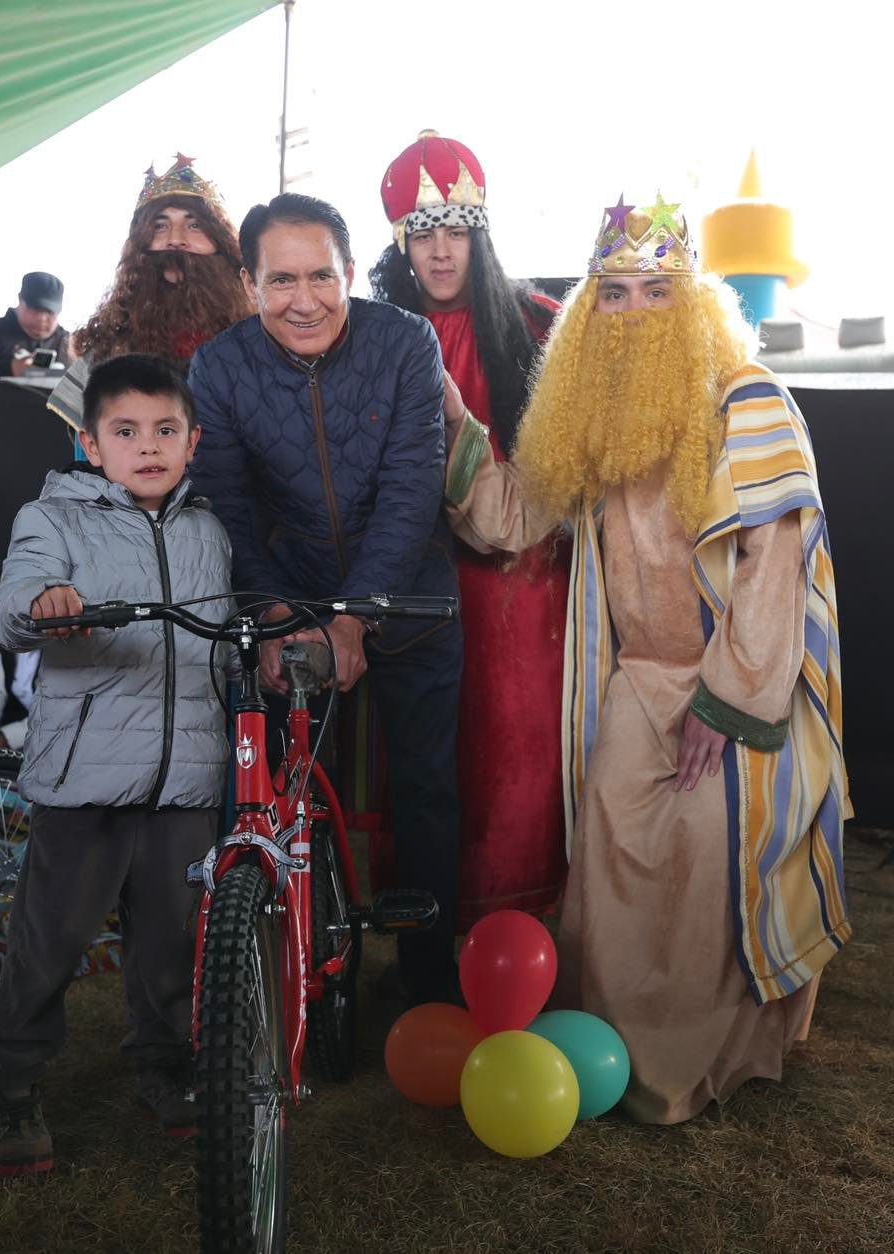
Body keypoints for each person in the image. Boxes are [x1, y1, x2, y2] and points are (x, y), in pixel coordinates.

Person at [442, 194, 850, 1122]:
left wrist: (727, 700)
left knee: (712, 859)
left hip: (733, 682)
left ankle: (699, 1060)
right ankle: (620, 1051)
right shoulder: (585, 417)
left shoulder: (750, 401)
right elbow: (511, 514)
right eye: (614, 295)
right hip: (637, 681)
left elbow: (774, 567)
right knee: (618, 854)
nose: (632, 312)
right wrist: (444, 413)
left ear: (693, 300)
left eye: (655, 292)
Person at [188, 192, 461, 1006]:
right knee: (287, 794)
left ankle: (428, 984)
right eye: (280, 281)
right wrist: (274, 616)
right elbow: (228, 504)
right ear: (248, 282)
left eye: (321, 277)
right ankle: (295, 978)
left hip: (409, 601)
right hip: (289, 601)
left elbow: (414, 487)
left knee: (424, 791)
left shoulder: (407, 341)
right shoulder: (219, 365)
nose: (303, 301)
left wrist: (357, 614)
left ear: (350, 272)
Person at [0, 353, 233, 1175]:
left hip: (186, 776)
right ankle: (10, 1085)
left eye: (165, 431)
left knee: (172, 939)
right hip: (85, 780)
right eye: (126, 431)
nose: (147, 446)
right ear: (90, 444)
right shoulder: (54, 521)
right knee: (50, 940)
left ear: (193, 442)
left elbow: (220, 649)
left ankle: (163, 1061)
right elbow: (9, 602)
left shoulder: (209, 532)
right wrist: (43, 605)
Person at [369, 130, 567, 929]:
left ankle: (520, 926)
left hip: (522, 587)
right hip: (415, 576)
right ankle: (424, 930)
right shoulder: (375, 332)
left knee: (512, 750)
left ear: (478, 233)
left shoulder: (538, 325)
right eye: (423, 234)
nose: (441, 250)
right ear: (401, 243)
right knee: (424, 758)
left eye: (455, 231)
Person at [47, 154, 252, 430]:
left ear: (221, 242)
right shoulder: (109, 342)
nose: (176, 239)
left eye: (194, 225)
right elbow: (88, 448)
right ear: (140, 245)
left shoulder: (260, 335)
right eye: (160, 226)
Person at [0, 272, 73, 385]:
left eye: (49, 312)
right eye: (35, 309)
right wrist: (8, 368)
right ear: (20, 299)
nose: (41, 318)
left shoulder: (71, 346)